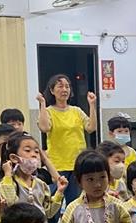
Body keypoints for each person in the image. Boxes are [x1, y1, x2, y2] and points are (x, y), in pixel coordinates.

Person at [38, 74, 97, 209]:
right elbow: (44, 127)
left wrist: (92, 105)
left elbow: (91, 128)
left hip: (77, 163)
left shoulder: (76, 111)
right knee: (55, 202)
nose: (64, 89)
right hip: (57, 165)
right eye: (60, 86)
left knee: (75, 203)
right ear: (52, 90)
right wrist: (42, 104)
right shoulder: (48, 111)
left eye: (67, 86)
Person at [0, 132, 67, 223]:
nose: (34, 155)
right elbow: (11, 204)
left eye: (36, 151)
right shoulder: (8, 183)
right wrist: (7, 175)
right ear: (14, 158)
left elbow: (49, 212)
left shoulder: (41, 184)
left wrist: (59, 192)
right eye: (27, 150)